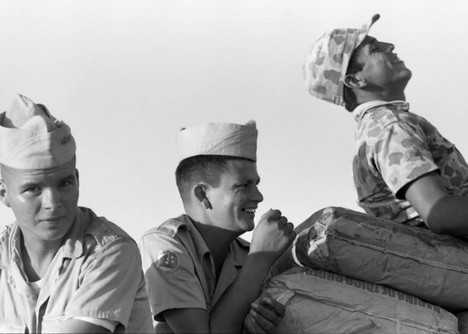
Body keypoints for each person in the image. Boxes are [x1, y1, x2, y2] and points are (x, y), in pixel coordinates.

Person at [303, 14, 468, 250]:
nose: (390, 46)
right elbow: (441, 213)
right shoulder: (390, 127)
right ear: (355, 80)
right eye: (374, 48)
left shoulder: (378, 126)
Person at [0, 94, 154, 333]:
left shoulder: (110, 252)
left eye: (65, 184)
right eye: (33, 189)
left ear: (77, 180)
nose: (52, 203)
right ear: (3, 194)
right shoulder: (3, 254)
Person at [140, 120, 296, 333]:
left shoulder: (244, 253)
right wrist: (259, 259)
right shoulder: (164, 246)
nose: (258, 196)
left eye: (256, 184)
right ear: (202, 195)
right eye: (242, 185)